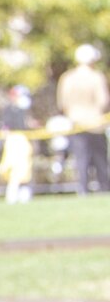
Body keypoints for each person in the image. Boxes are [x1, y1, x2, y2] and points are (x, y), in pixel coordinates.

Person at [58, 45, 108, 194]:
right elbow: (103, 101)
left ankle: (83, 189)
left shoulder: (68, 78)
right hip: (96, 123)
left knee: (81, 159)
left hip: (76, 123)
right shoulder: (97, 77)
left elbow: (62, 103)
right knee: (100, 160)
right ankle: (104, 189)